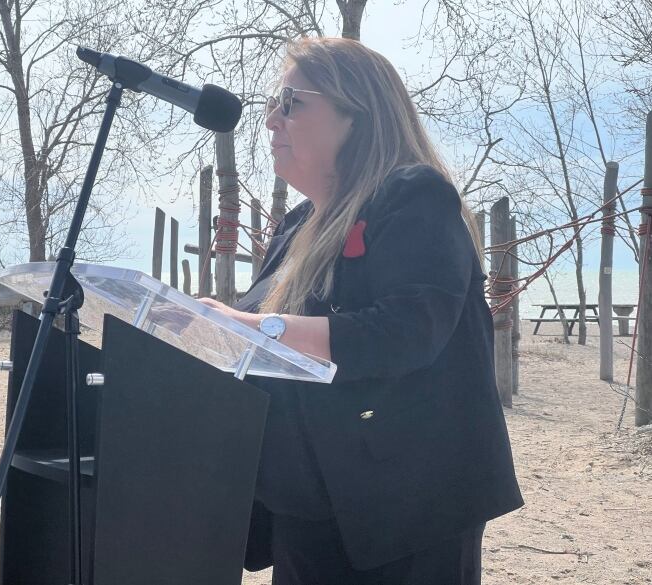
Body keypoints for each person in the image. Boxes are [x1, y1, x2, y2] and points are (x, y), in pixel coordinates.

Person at [198, 37, 523, 585]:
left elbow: (406, 331)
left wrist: (258, 328)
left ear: (359, 115)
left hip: (405, 505)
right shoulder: (297, 225)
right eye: (272, 105)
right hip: (307, 497)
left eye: (291, 101)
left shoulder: (415, 196)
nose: (271, 120)